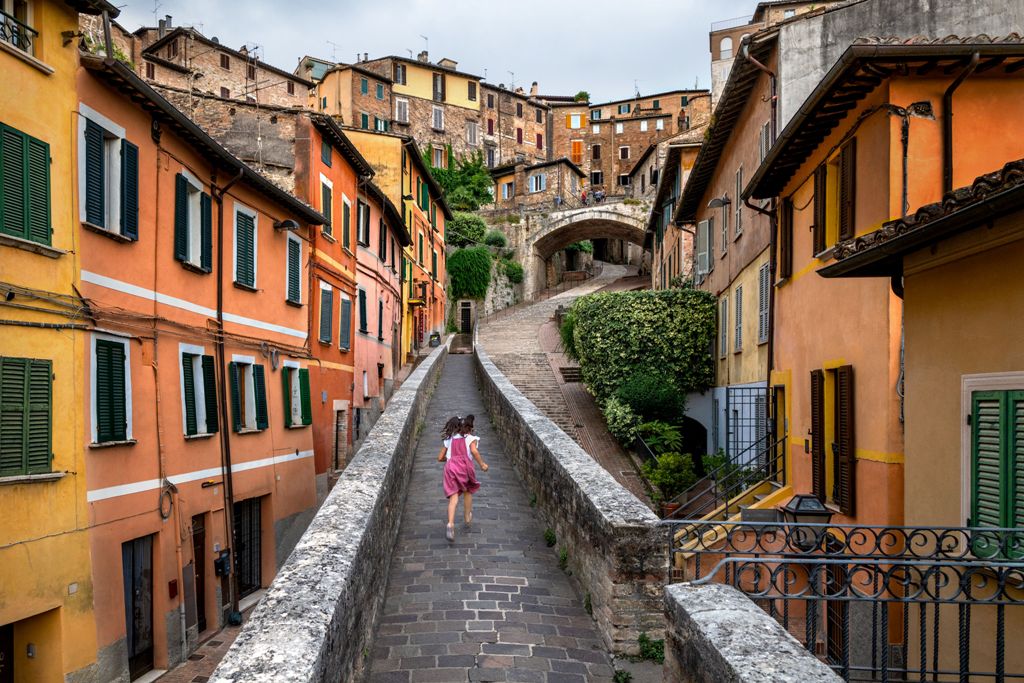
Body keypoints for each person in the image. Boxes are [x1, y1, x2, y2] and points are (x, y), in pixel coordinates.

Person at [438, 414, 488, 542]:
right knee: (467, 491)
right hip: (464, 468)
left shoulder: (450, 439)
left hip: (450, 468)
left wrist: (449, 459)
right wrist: (482, 464)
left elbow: (440, 457)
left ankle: (450, 524)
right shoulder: (471, 438)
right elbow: (474, 452)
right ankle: (467, 516)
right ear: (469, 427)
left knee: (453, 498)